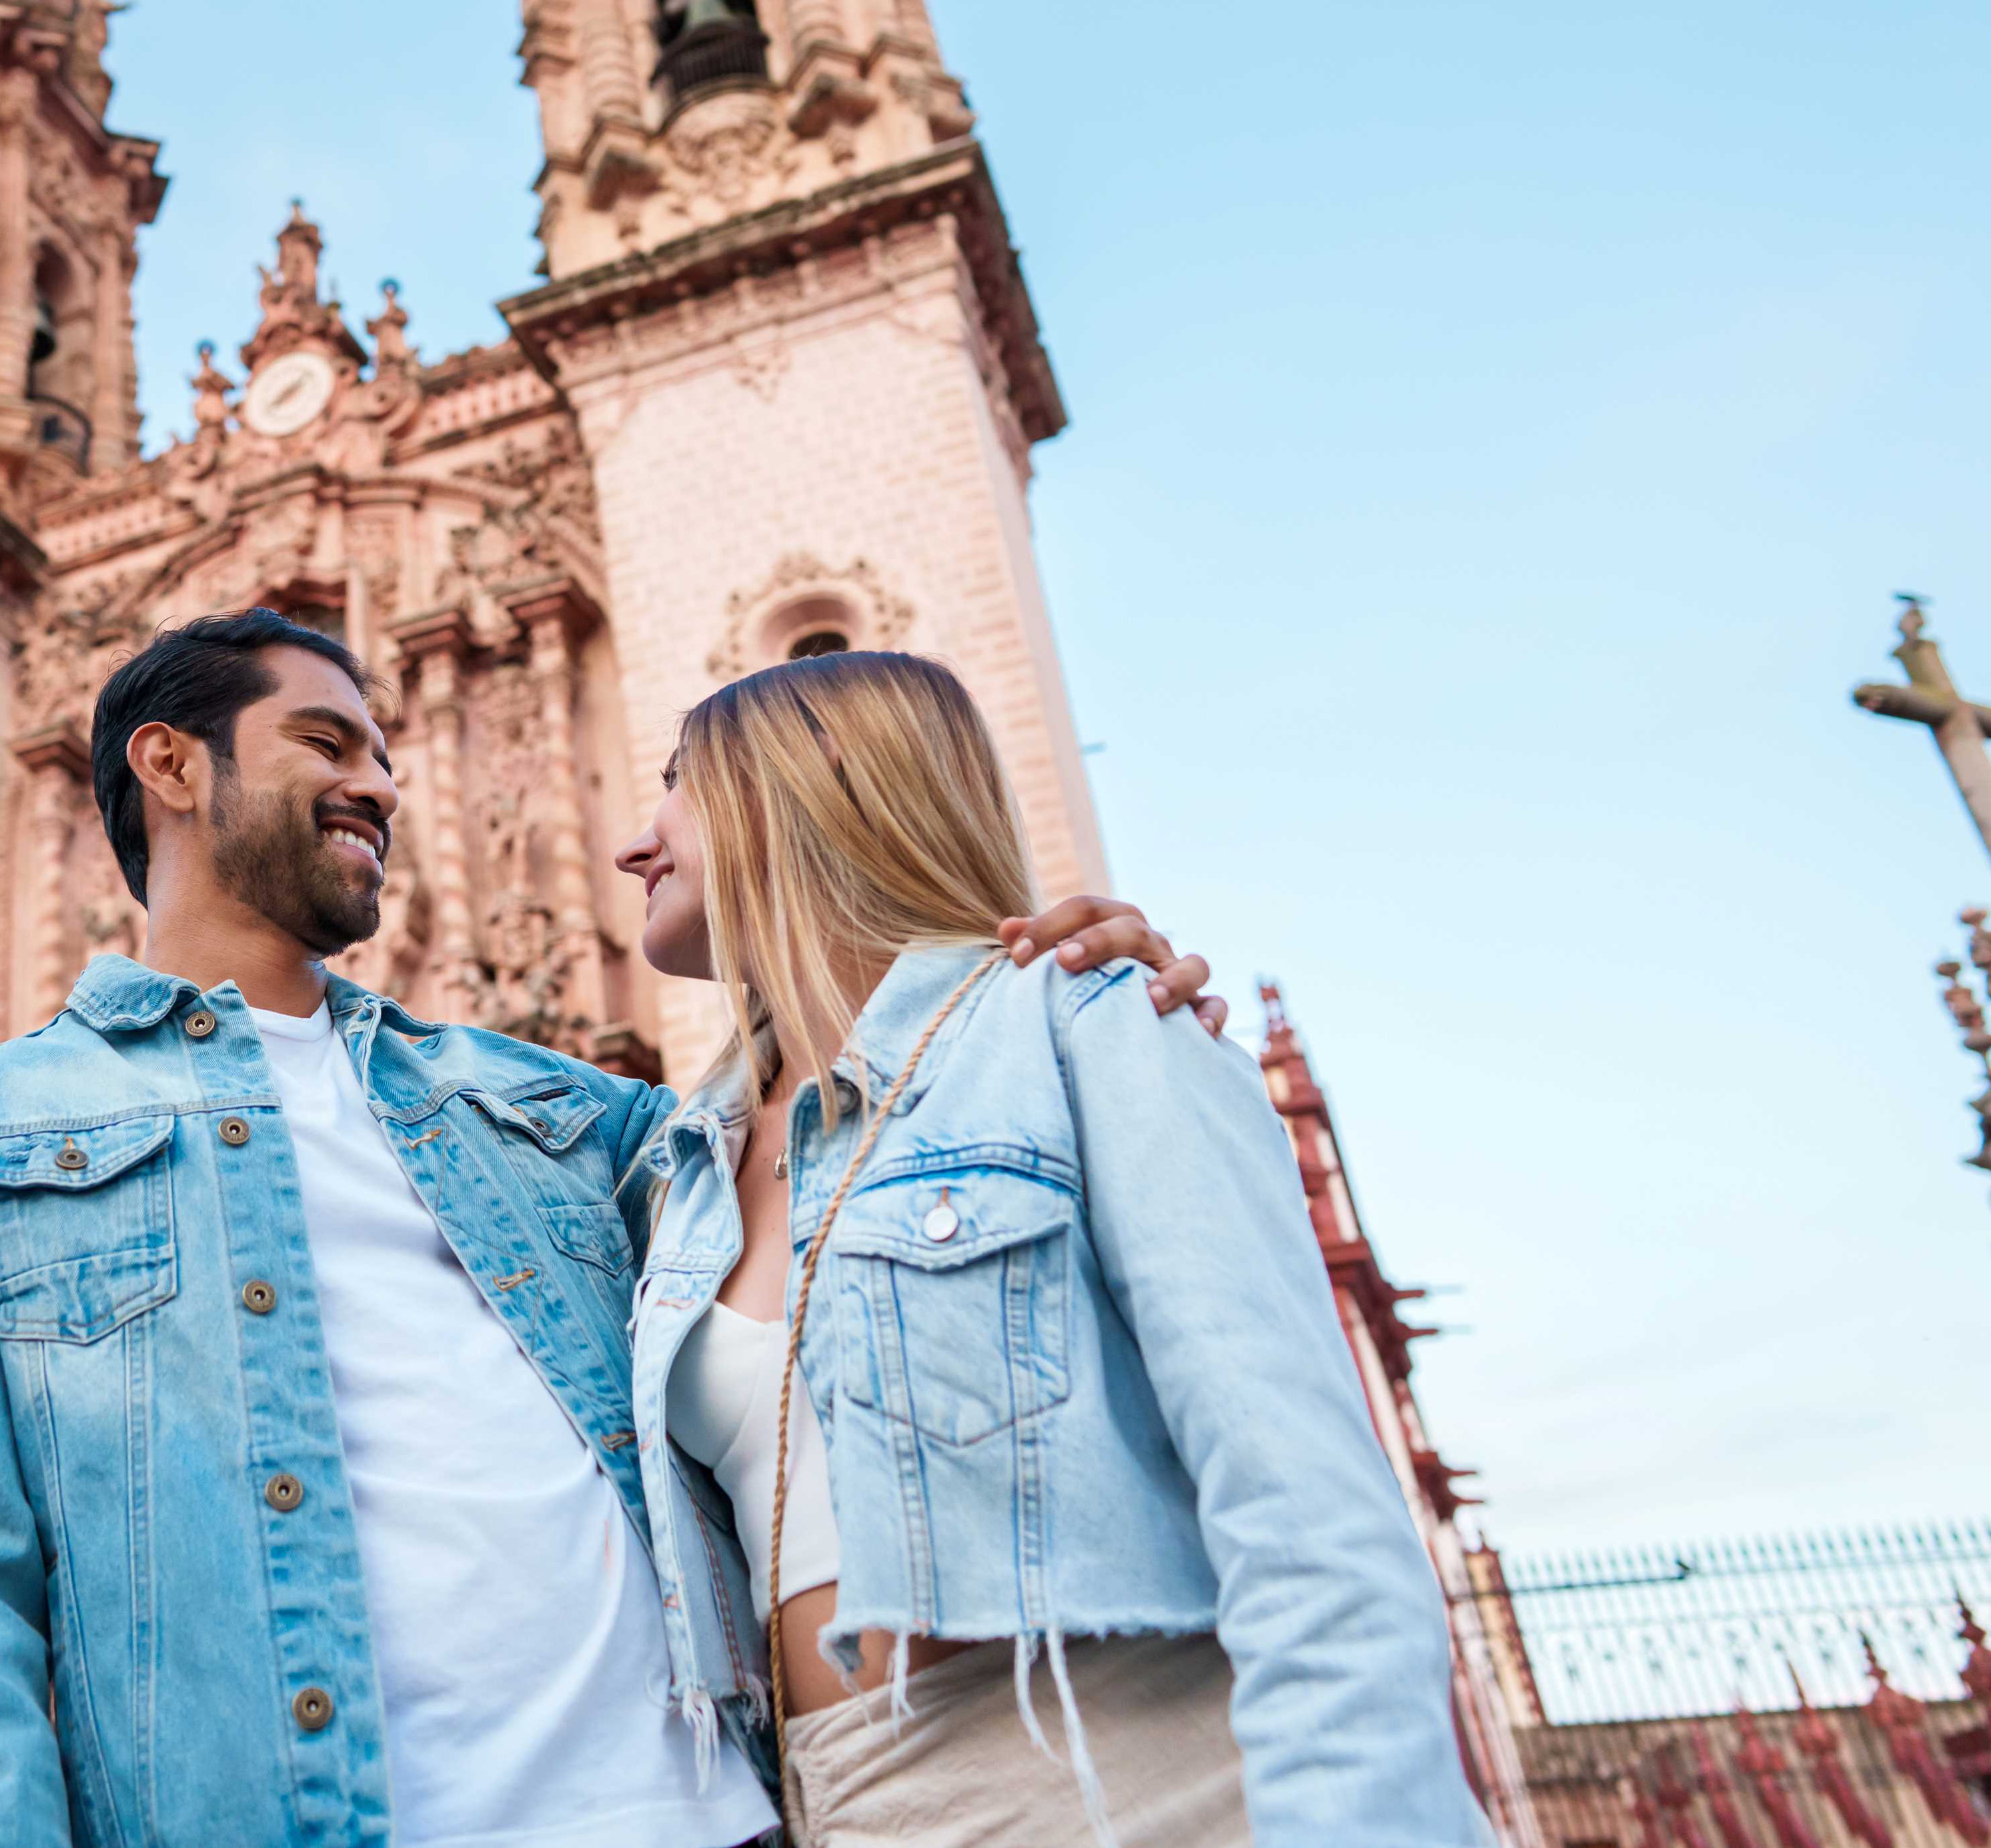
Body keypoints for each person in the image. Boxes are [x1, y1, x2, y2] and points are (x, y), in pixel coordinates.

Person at [0, 610, 1219, 1848]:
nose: (383, 783)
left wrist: (1016, 986)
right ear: (171, 766)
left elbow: (845, 1128)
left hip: (718, 1816)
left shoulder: (561, 1109)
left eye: (388, 753)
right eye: (327, 741)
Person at [610, 650, 1486, 1848]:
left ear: (810, 780)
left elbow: (1310, 1515)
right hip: (837, 1803)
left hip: (1137, 1780)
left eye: (678, 782)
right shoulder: (678, 1172)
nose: (635, 841)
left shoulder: (1087, 1027)